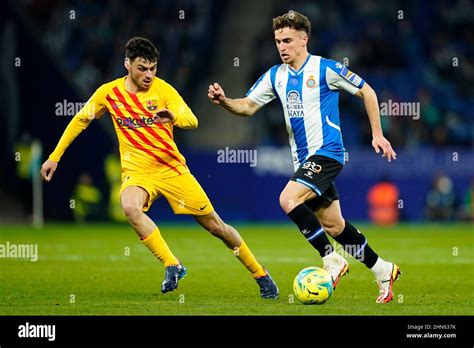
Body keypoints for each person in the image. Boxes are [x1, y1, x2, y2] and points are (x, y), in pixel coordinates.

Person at [40, 37, 278, 299]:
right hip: (138, 172)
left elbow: (193, 120)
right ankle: (172, 264)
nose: (149, 74)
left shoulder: (163, 90)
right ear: (127, 65)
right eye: (142, 68)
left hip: (171, 170)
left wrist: (173, 117)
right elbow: (80, 120)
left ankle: (260, 274)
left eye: (153, 68)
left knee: (216, 227)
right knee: (130, 207)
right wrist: (55, 156)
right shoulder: (109, 93)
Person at [208, 11, 400, 303]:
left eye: (287, 40)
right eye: (277, 41)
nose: (281, 47)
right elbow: (246, 106)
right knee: (335, 226)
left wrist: (377, 133)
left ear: (303, 39)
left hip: (328, 153)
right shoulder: (276, 76)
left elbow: (368, 92)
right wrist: (224, 102)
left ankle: (331, 259)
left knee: (288, 199)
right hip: (304, 163)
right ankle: (383, 269)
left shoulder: (326, 69)